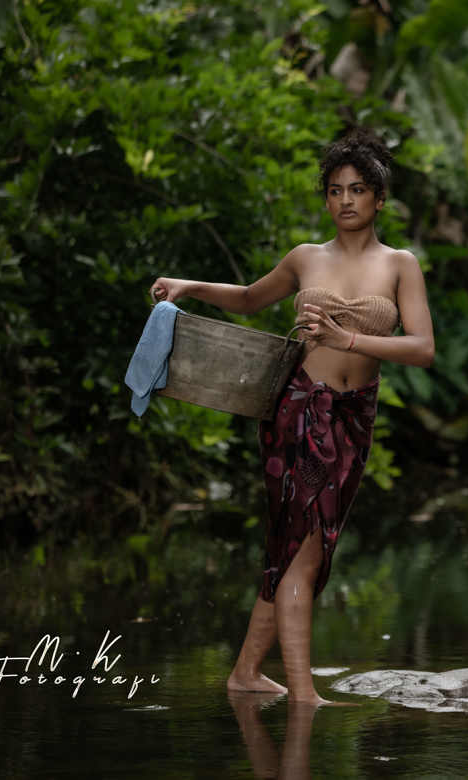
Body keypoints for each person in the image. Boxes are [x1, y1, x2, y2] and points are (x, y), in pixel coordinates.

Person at [148, 127, 434, 704]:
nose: (346, 200)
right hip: (299, 411)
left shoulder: (400, 265)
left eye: (358, 190)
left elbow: (422, 348)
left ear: (380, 200)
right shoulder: (306, 258)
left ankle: (246, 674)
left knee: (301, 543)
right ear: (325, 198)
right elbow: (253, 298)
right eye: (335, 190)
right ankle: (304, 696)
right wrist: (189, 285)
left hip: (355, 418)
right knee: (305, 544)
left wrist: (346, 339)